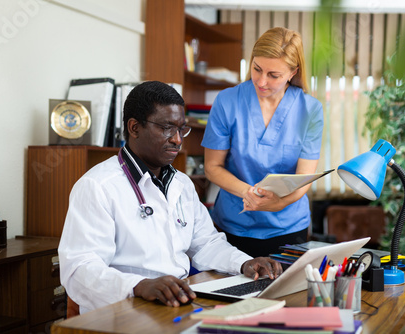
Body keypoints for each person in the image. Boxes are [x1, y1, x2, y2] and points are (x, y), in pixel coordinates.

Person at [58, 81, 282, 314]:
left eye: (181, 129)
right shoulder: (97, 186)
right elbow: (79, 269)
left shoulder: (182, 184)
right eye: (167, 128)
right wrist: (139, 286)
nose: (177, 139)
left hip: (175, 302)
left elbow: (206, 244)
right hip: (121, 311)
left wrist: (245, 262)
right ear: (134, 128)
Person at [201, 27, 324, 257]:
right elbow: (212, 167)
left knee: (284, 291)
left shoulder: (310, 110)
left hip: (289, 227)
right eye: (256, 69)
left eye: (273, 75)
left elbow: (304, 178)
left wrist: (278, 204)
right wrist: (249, 193)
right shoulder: (228, 101)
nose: (261, 81)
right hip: (233, 225)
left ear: (292, 72)